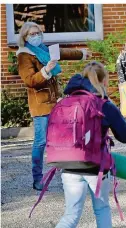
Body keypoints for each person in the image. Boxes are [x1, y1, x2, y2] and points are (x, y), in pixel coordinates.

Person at [56, 61, 126, 228]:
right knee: (102, 209)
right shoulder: (105, 105)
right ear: (104, 81)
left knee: (70, 216)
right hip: (95, 167)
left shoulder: (67, 101)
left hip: (68, 165)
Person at [17, 21, 89, 191]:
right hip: (40, 105)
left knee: (63, 138)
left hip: (55, 103)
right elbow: (29, 81)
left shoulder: (43, 49)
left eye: (38, 33)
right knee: (41, 142)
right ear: (25, 37)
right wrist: (46, 71)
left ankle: (71, 174)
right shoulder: (24, 55)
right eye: (32, 34)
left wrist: (82, 54)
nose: (36, 36)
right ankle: (37, 179)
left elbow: (62, 53)